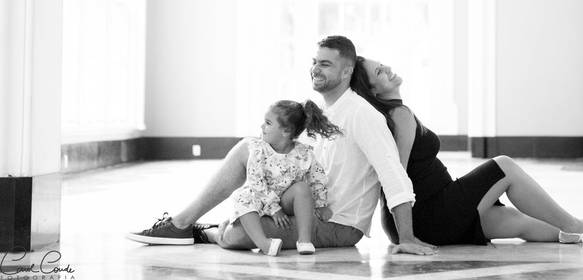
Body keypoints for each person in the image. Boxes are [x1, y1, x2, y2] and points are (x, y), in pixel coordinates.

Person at [127, 36, 436, 255]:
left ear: (347, 71)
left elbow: (393, 175)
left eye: (325, 64)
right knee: (249, 147)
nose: (316, 69)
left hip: (338, 224)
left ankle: (205, 231)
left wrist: (406, 237)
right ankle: (181, 223)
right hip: (301, 206)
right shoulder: (323, 111)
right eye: (314, 62)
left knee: (237, 235)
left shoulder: (363, 115)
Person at [350, 56, 583, 246]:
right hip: (427, 215)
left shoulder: (393, 116)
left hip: (430, 218)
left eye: (382, 64)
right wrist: (407, 236)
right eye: (380, 71)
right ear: (373, 91)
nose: (387, 68)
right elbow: (396, 176)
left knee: (515, 221)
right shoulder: (398, 115)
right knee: (504, 166)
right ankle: (578, 227)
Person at [219, 99, 340, 256]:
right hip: (262, 199)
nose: (262, 126)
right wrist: (274, 209)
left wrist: (321, 204)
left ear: (286, 131)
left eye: (268, 123)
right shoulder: (259, 150)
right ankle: (264, 243)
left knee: (302, 188)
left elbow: (317, 178)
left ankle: (304, 240)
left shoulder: (303, 153)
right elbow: (256, 182)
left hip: (286, 200)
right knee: (242, 197)